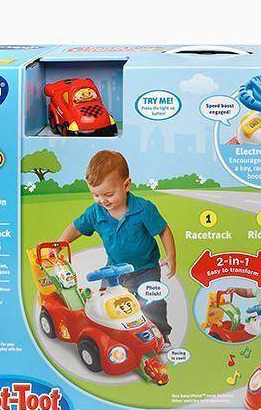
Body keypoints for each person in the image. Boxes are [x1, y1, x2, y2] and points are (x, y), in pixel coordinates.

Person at [58, 150, 175, 352]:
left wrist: (171, 255)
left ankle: (160, 335)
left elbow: (163, 230)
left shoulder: (143, 209)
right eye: (95, 195)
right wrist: (60, 244)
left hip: (145, 269)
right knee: (105, 303)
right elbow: (76, 227)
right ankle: (113, 332)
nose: (102, 200)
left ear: (126, 185)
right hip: (113, 270)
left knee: (152, 305)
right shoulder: (96, 212)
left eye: (108, 195)